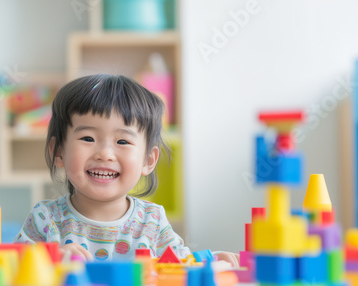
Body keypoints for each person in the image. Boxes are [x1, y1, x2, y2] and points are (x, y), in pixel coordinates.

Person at [14, 74, 239, 266]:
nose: (105, 154)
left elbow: (179, 265)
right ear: (59, 152)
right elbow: (12, 265)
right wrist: (50, 259)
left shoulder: (152, 221)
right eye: (88, 138)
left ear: (148, 160)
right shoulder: (46, 219)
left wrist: (212, 260)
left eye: (122, 141)